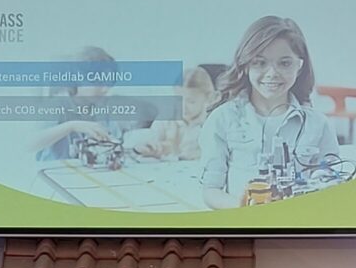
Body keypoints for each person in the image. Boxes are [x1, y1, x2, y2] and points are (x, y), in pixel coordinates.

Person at [200, 15, 340, 209]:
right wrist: (243, 211)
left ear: (300, 67)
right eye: (260, 62)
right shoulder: (222, 119)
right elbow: (211, 189)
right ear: (245, 65)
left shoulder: (318, 124)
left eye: (285, 63)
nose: (272, 73)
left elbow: (332, 183)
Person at [133, 66, 216, 161]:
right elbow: (148, 141)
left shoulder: (211, 124)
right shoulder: (166, 119)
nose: (183, 107)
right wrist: (149, 148)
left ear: (208, 98)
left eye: (191, 102)